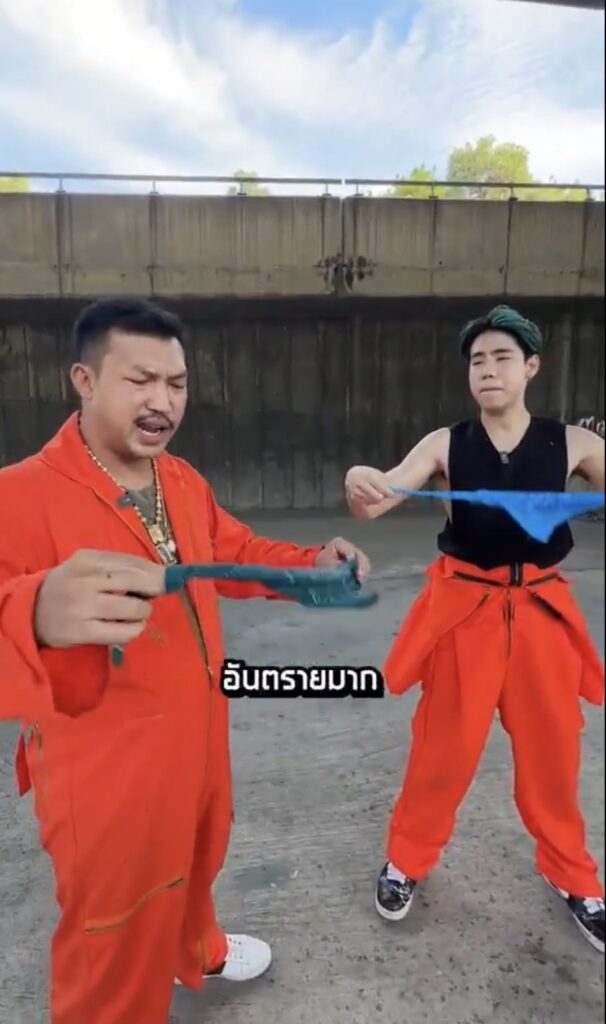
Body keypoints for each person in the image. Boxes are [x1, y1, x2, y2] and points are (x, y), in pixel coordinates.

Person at [0, 297, 371, 1024]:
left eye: (176, 384)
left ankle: (196, 949)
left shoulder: (180, 480)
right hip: (104, 776)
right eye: (140, 380)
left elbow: (235, 550)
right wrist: (33, 611)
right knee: (114, 938)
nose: (163, 402)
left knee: (198, 860)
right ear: (84, 380)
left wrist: (312, 566)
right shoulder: (17, 495)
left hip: (199, 740)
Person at [344, 304, 605, 954]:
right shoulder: (446, 443)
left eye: (502, 358)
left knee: (554, 755)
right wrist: (362, 484)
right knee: (443, 748)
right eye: (478, 360)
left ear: (531, 367)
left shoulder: (573, 443)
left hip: (541, 615)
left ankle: (573, 874)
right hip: (466, 614)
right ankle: (407, 859)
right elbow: (381, 498)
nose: (488, 370)